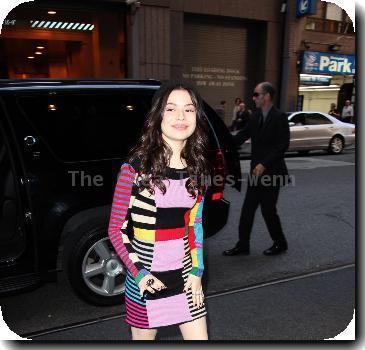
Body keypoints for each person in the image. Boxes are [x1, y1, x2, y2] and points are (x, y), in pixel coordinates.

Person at [108, 80, 210, 340]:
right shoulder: (135, 167)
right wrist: (139, 274)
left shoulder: (198, 168)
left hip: (186, 278)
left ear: (196, 116)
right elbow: (116, 230)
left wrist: (197, 272)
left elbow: (194, 226)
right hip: (146, 279)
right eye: (170, 109)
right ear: (158, 115)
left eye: (188, 109)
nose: (180, 116)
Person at [223, 82, 290, 257]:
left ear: (267, 96)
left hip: (272, 173)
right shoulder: (255, 117)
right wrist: (220, 144)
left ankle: (280, 243)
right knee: (247, 210)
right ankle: (243, 245)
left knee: (268, 210)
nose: (253, 98)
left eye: (256, 94)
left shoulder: (279, 117)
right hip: (256, 174)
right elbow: (241, 136)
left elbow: (282, 146)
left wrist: (264, 164)